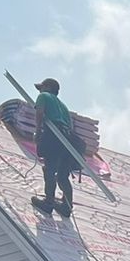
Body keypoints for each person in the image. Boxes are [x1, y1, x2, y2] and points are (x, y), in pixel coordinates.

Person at [32, 77, 80, 212]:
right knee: (62, 176)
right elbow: (70, 126)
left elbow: (40, 112)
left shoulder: (43, 96)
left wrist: (38, 132)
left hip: (54, 136)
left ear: (48, 87)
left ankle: (49, 203)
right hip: (67, 139)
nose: (40, 90)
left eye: (42, 87)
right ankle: (66, 207)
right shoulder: (63, 106)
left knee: (49, 170)